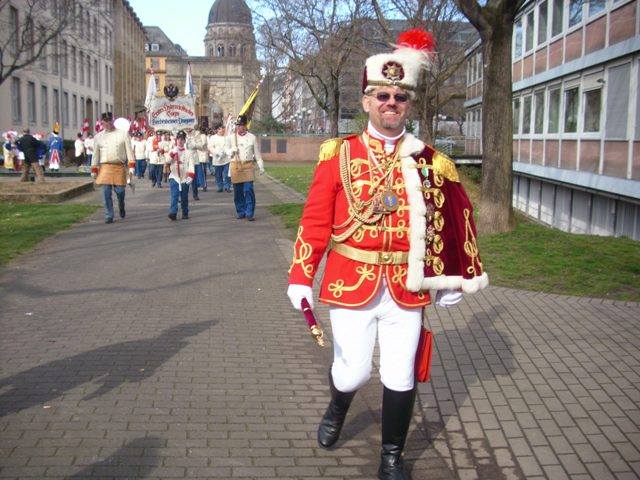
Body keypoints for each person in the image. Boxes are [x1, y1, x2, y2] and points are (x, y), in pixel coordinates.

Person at [286, 29, 488, 480]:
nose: (391, 103)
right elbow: (315, 221)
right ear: (366, 101)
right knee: (353, 372)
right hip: (350, 281)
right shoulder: (338, 154)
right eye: (382, 95)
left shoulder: (429, 160)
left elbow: (449, 220)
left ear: (409, 104)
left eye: (400, 97)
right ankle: (338, 406)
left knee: (400, 374)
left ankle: (391, 457)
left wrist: (450, 277)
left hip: (406, 289)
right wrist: (301, 275)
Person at [91, 112, 136, 224]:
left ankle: (121, 205)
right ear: (102, 122)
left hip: (119, 166)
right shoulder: (98, 137)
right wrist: (94, 170)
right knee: (106, 192)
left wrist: (131, 168)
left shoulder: (123, 134)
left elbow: (130, 153)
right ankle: (109, 215)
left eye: (109, 120)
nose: (108, 123)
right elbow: (95, 155)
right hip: (105, 167)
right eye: (105, 121)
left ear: (113, 121)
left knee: (120, 192)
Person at [229, 115, 264, 221]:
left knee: (248, 189)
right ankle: (241, 211)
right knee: (238, 191)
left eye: (241, 125)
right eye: (238, 125)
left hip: (248, 165)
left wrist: (261, 166)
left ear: (245, 125)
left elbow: (257, 153)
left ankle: (249, 213)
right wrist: (231, 151)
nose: (239, 127)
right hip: (236, 165)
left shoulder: (252, 137)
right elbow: (225, 151)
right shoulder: (232, 137)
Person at [166, 130, 195, 220]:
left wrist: (191, 176)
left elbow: (191, 165)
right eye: (178, 139)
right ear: (176, 140)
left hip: (184, 177)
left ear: (185, 140)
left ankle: (185, 212)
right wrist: (172, 154)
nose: (180, 141)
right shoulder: (173, 150)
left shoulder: (188, 152)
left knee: (184, 197)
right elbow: (167, 161)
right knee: (174, 195)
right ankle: (173, 212)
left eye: (182, 139)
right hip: (174, 177)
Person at [208, 123, 232, 192]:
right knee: (218, 175)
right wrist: (216, 152)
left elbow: (230, 146)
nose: (223, 130)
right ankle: (220, 186)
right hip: (217, 159)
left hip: (226, 159)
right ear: (218, 130)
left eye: (224, 128)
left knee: (227, 174)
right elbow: (210, 147)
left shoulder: (227, 137)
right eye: (222, 129)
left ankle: (227, 186)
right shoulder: (213, 138)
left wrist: (228, 151)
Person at [186, 127, 207, 200]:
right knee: (183, 178)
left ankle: (195, 194)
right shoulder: (181, 133)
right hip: (183, 158)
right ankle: (182, 195)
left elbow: (201, 146)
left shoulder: (196, 134)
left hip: (193, 158)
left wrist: (194, 144)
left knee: (193, 178)